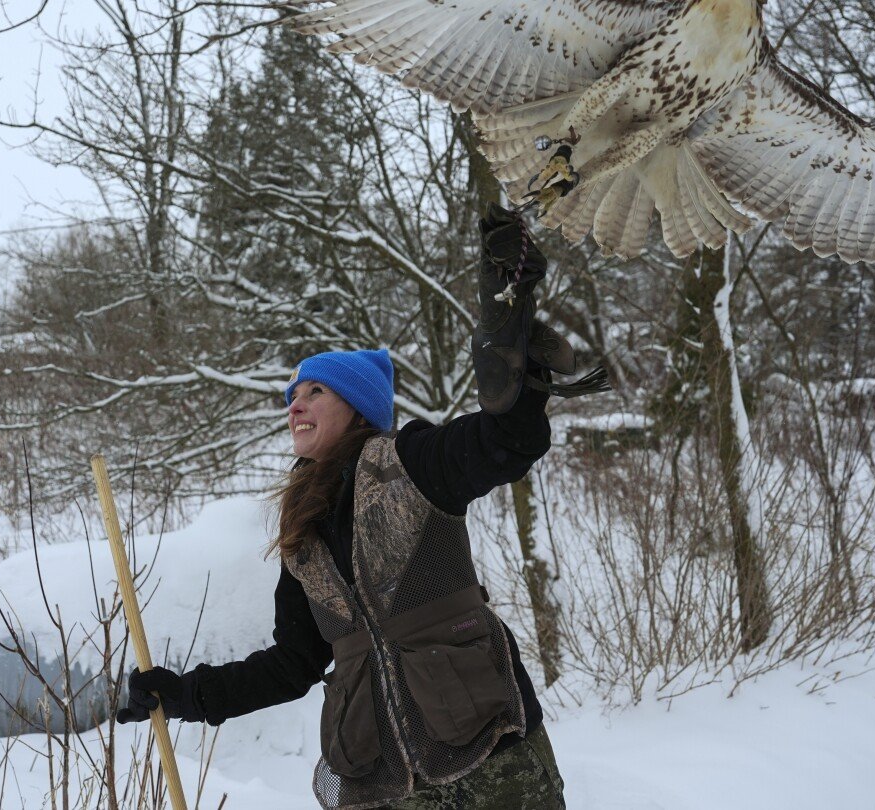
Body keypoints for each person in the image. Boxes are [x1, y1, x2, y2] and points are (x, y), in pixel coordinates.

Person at [117, 206, 578, 809]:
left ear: (358, 408)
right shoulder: (302, 528)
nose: (295, 405)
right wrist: (182, 696)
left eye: (315, 391)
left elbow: (505, 442)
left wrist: (511, 352)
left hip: (489, 761)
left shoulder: (409, 463)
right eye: (291, 396)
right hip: (381, 781)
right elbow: (292, 664)